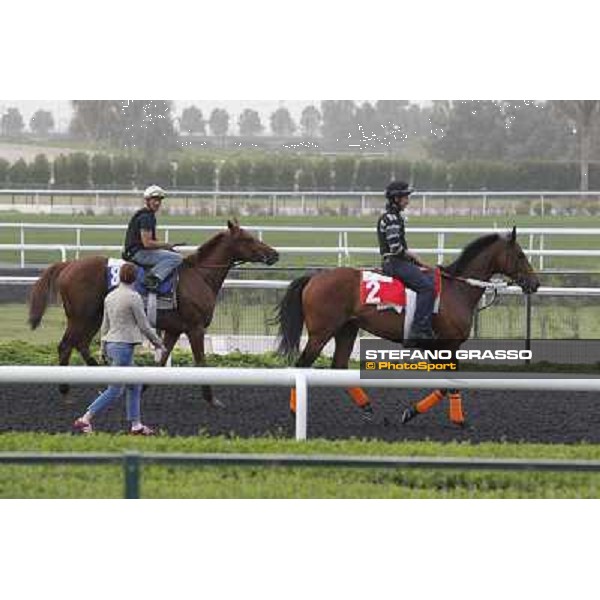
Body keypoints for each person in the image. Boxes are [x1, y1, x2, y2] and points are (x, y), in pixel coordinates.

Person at [73, 262, 167, 435]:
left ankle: (136, 425)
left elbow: (104, 326)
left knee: (135, 384)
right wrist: (158, 343)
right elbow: (144, 325)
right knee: (115, 389)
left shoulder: (110, 296)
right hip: (123, 348)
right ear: (136, 277)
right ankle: (85, 419)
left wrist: (102, 349)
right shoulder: (134, 297)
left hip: (111, 345)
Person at [377, 180, 435, 346]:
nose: (408, 201)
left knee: (430, 279)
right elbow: (396, 248)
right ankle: (418, 329)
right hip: (394, 263)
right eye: (405, 197)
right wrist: (414, 257)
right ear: (396, 199)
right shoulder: (392, 219)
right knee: (427, 288)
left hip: (396, 262)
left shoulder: (393, 217)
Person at [122, 185, 183, 292]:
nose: (157, 203)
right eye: (154, 200)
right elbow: (147, 243)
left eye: (159, 200)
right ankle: (152, 278)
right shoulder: (146, 217)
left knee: (170, 253)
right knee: (177, 258)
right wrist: (166, 245)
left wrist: (165, 248)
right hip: (139, 254)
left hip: (135, 251)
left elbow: (150, 241)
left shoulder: (147, 215)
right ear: (147, 200)